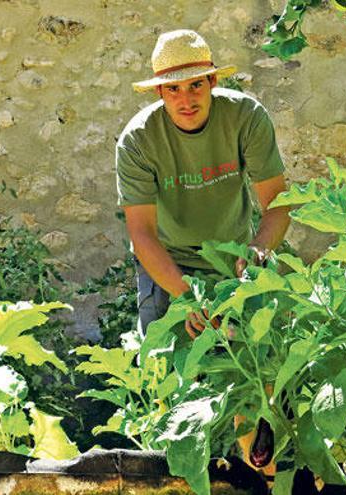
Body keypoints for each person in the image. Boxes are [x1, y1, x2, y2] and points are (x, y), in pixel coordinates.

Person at [115, 29, 290, 338]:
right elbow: (141, 232)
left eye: (196, 84)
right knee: (166, 372)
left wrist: (257, 249)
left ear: (213, 81)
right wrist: (187, 298)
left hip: (235, 259)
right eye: (173, 89)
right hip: (168, 264)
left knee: (258, 367)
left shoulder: (246, 118)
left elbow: (278, 203)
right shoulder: (138, 139)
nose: (186, 100)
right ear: (160, 92)